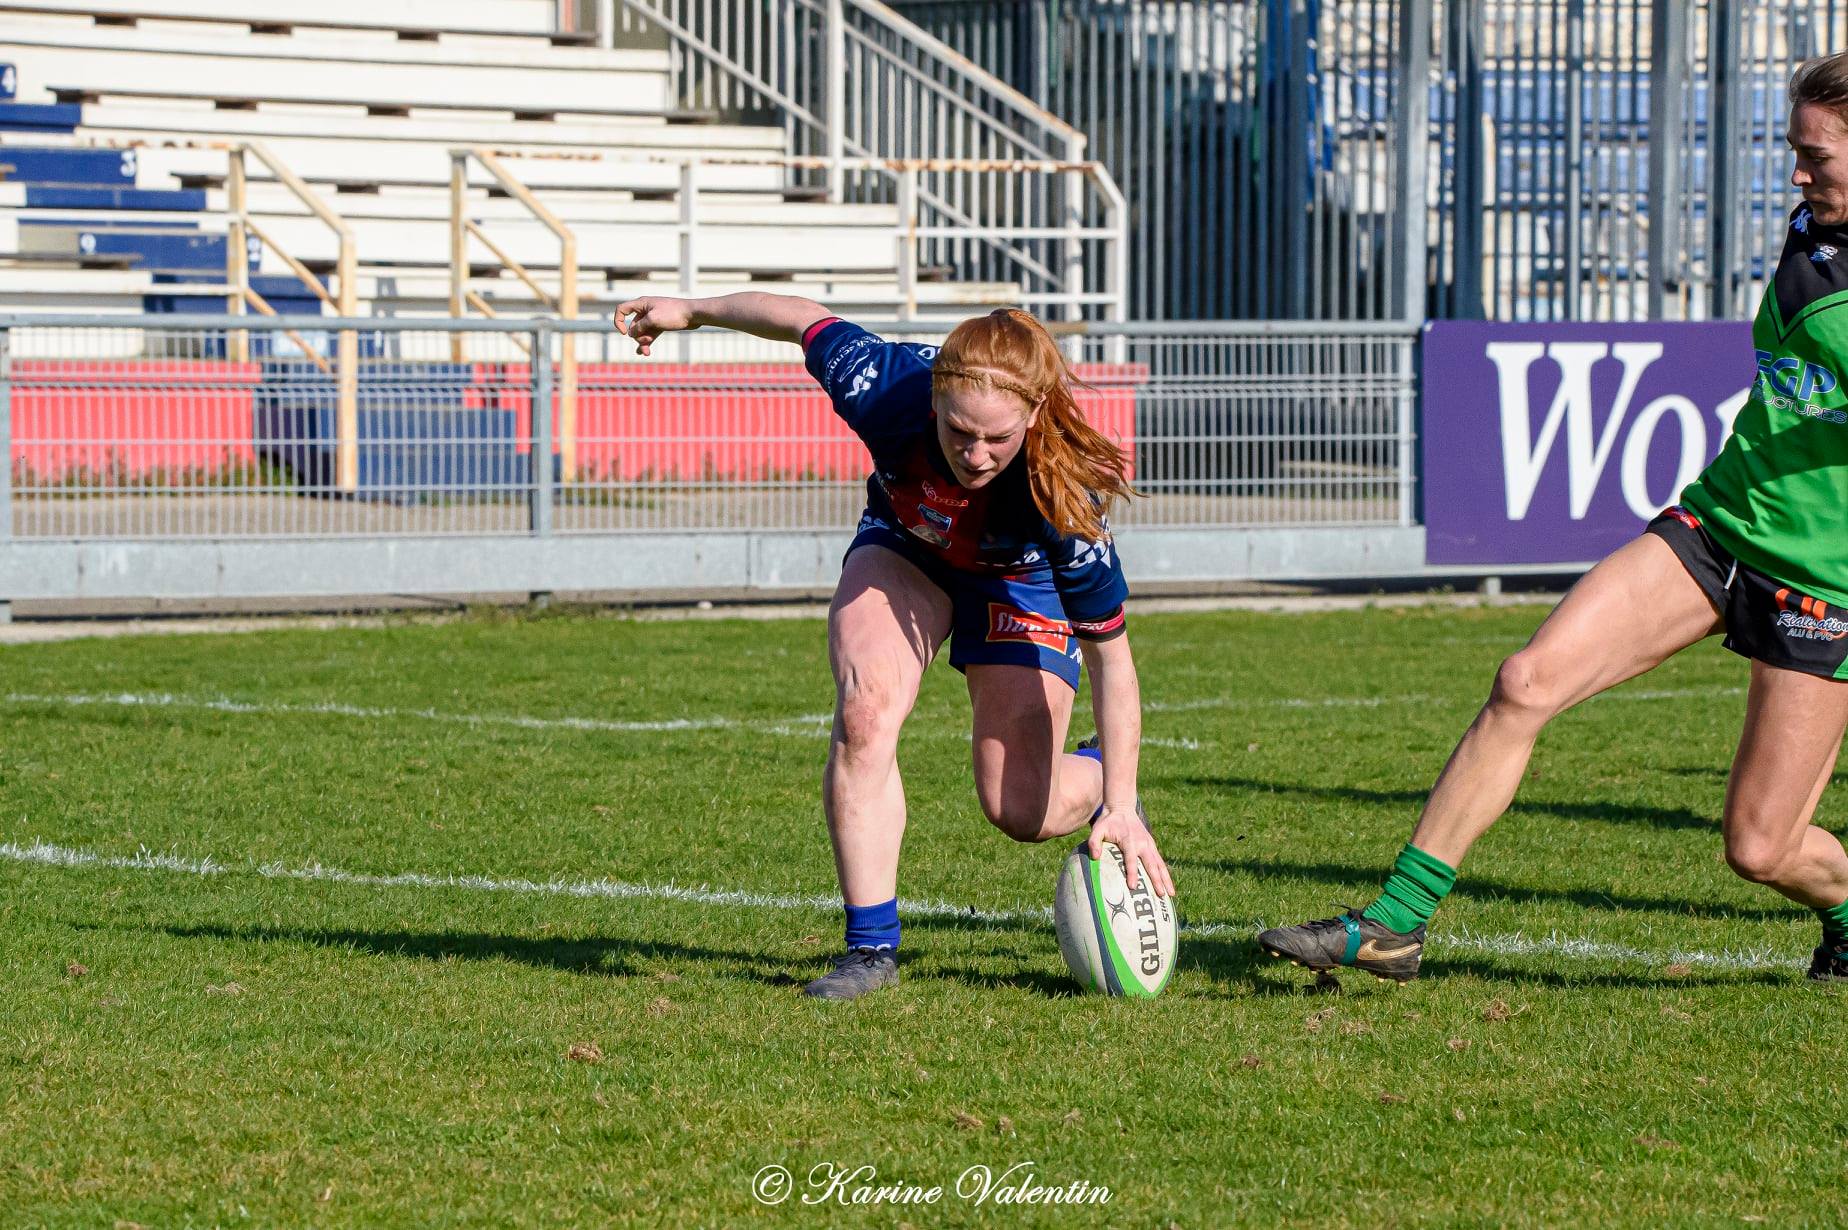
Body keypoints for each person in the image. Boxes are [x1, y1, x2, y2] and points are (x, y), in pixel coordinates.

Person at [1261, 50, 1848, 986]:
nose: (1795, 172)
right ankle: (1396, 924)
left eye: (1814, 154)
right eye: (1794, 149)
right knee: (1526, 680)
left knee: (1762, 848)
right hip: (1717, 527)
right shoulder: (1814, 230)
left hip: (1822, 587)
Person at [613, 292, 1175, 999]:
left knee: (1019, 811)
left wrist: (1119, 802)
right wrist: (692, 312)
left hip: (1019, 584)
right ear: (935, 398)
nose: (975, 455)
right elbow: (800, 320)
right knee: (865, 715)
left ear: (1033, 413)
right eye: (958, 432)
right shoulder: (885, 386)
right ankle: (870, 949)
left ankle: (1094, 777)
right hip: (909, 549)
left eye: (997, 440)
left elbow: (1112, 658)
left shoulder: (1064, 498)